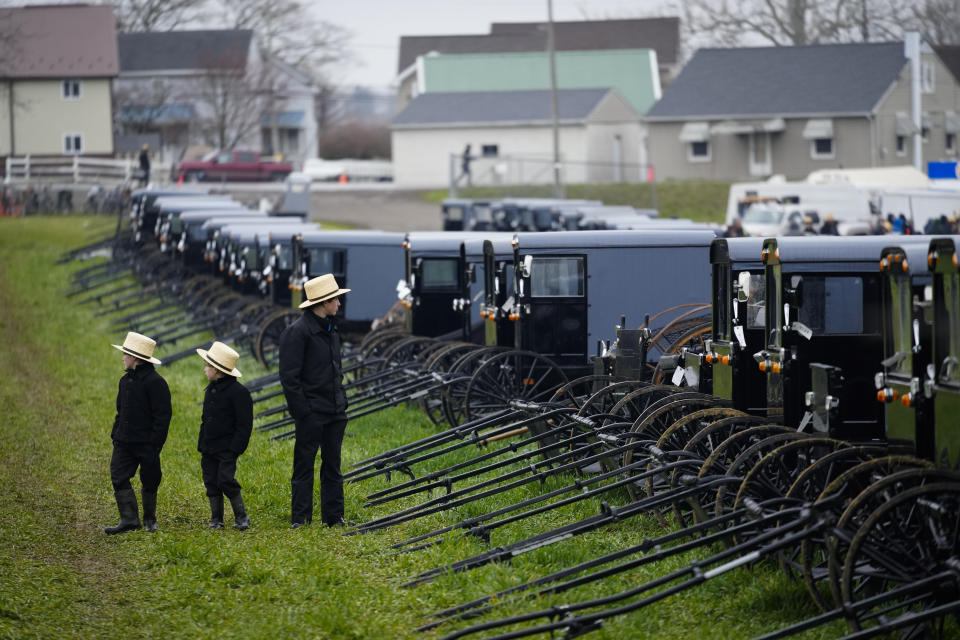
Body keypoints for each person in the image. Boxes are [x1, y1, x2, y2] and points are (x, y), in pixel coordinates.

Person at [278, 273, 352, 528]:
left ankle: (334, 519)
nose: (340, 304)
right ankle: (301, 519)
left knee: (333, 467)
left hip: (335, 412)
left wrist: (342, 403)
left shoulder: (331, 328)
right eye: (336, 300)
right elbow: (289, 378)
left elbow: (335, 370)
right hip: (312, 413)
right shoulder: (297, 332)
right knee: (304, 467)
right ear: (323, 302)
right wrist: (305, 413)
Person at [105, 332, 171, 534]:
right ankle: (129, 519)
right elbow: (120, 410)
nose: (123, 357)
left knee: (150, 478)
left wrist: (154, 444)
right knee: (118, 475)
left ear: (135, 358)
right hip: (124, 441)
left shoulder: (155, 383)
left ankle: (150, 519)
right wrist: (116, 434)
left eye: (125, 354)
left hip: (146, 443)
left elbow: (163, 416)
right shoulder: (124, 381)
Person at [196, 341, 253, 530]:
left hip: (227, 448)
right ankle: (216, 519)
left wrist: (234, 448)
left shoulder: (239, 393)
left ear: (218, 370)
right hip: (209, 446)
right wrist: (202, 443)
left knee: (225, 479)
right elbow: (206, 419)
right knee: (211, 481)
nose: (205, 369)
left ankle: (241, 516)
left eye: (207, 366)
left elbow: (244, 425)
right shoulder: (210, 390)